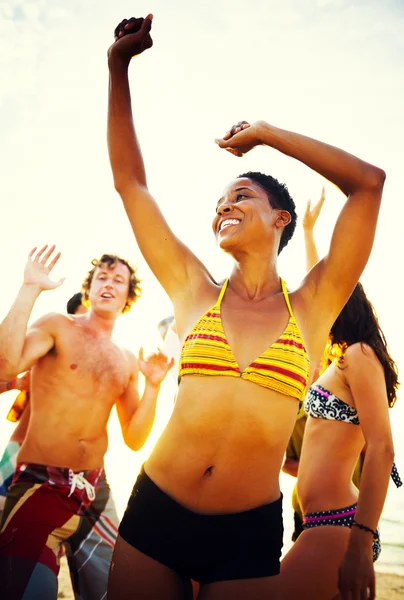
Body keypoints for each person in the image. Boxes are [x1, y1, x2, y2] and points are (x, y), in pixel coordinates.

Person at [106, 15, 386, 600]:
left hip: (245, 535)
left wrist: (267, 135)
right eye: (217, 203)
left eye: (241, 196)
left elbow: (369, 184)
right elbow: (132, 183)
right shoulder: (193, 290)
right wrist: (118, 68)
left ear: (281, 219)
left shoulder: (313, 307)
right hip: (156, 511)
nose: (223, 208)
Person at [0, 247, 173, 600]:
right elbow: (5, 365)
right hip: (40, 485)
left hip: (96, 491)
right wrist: (29, 288)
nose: (109, 284)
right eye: (102, 277)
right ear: (90, 287)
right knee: (24, 593)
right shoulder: (56, 326)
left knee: (114, 592)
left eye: (118, 280)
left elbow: (135, 438)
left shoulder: (126, 360)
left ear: (128, 296)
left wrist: (153, 386)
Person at [280, 192, 400, 599]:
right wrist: (310, 232)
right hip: (318, 522)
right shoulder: (337, 360)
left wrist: (361, 544)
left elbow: (383, 448)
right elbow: (323, 277)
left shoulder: (360, 356)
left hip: (340, 527)